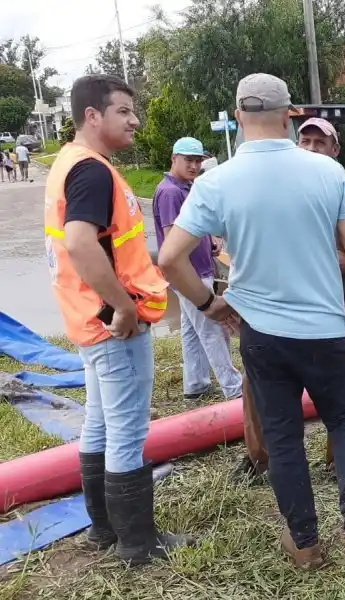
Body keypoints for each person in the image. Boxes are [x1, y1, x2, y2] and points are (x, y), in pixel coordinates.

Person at [158, 73, 345, 570]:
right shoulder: (327, 174)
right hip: (327, 328)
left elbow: (169, 258)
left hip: (262, 334)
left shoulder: (214, 181)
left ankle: (305, 544)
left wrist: (207, 304)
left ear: (239, 116)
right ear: (289, 115)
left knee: (284, 434)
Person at [43, 74, 194, 565]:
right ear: (93, 115)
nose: (135, 120)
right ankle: (138, 544)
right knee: (126, 432)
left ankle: (104, 530)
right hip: (114, 324)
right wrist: (125, 306)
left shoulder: (71, 163)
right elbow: (82, 242)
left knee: (100, 425)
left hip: (88, 321)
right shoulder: (93, 171)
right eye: (124, 111)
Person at [234, 117, 345, 480]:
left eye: (319, 143)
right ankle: (260, 460)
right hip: (283, 311)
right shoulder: (279, 191)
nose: (311, 148)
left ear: (335, 150)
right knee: (259, 388)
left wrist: (343, 262)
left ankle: (338, 462)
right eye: (305, 141)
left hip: (341, 312)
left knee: (338, 391)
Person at [152, 137, 243, 400]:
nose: (193, 166)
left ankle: (196, 383)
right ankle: (233, 388)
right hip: (189, 274)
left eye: (197, 161)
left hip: (197, 270)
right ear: (174, 159)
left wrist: (210, 241)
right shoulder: (170, 192)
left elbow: (195, 226)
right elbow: (173, 240)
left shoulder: (186, 187)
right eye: (188, 160)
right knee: (214, 330)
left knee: (192, 332)